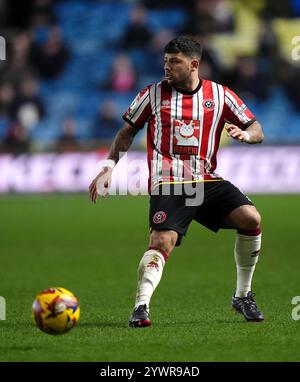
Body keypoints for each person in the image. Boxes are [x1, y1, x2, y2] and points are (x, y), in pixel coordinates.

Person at [89, 36, 265, 327]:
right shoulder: (152, 94)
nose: (167, 67)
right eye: (165, 61)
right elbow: (126, 133)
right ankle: (141, 306)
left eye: (175, 61)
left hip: (206, 180)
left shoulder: (220, 95)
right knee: (162, 241)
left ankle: (243, 295)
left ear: (194, 64)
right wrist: (108, 167)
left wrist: (246, 136)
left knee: (250, 217)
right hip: (169, 180)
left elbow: (256, 127)